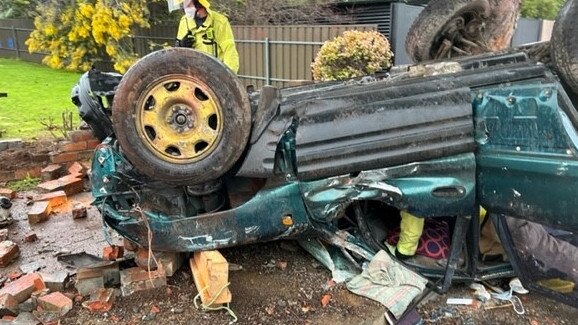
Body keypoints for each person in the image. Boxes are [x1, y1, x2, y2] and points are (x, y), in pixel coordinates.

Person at [175, 0, 240, 73]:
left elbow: (229, 50)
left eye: (188, 5)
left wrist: (228, 76)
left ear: (198, 4)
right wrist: (181, 45)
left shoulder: (219, 22)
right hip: (193, 74)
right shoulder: (184, 21)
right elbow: (177, 51)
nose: (185, 8)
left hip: (214, 74)